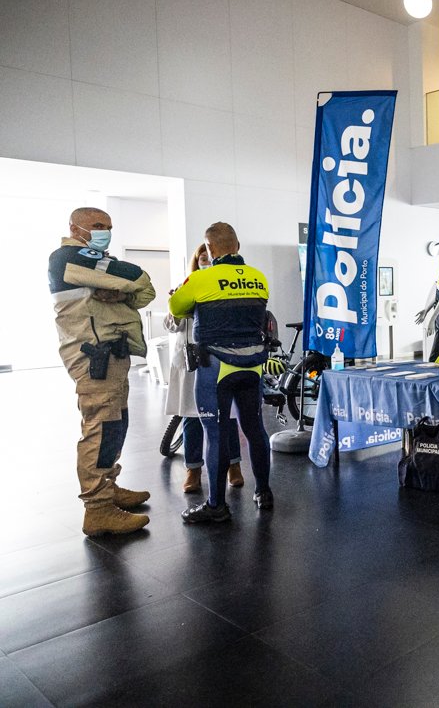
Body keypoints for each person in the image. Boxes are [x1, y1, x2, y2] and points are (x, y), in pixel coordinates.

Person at [48, 207, 156, 536]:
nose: (104, 232)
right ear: (74, 228)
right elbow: (139, 277)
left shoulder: (94, 262)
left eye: (108, 226)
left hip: (112, 355)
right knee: (100, 427)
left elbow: (146, 293)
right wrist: (127, 290)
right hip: (94, 357)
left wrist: (119, 293)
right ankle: (98, 508)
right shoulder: (68, 257)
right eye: (97, 226)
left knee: (115, 424)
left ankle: (108, 487)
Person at [169, 222, 273, 524]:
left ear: (210, 249)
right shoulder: (259, 277)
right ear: (237, 246)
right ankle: (264, 492)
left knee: (215, 434)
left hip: (215, 367)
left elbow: (176, 308)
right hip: (253, 366)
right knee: (255, 429)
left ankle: (216, 506)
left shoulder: (200, 279)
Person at [163, 243, 244, 493]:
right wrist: (179, 306)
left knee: (228, 415)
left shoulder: (227, 286)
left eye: (210, 258)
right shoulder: (186, 285)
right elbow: (171, 326)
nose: (206, 262)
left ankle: (234, 466)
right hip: (190, 359)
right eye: (202, 259)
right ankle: (193, 469)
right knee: (191, 416)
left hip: (221, 357)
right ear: (196, 262)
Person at [415, 235, 439, 361]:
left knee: (435, 359)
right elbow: (438, 293)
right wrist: (426, 310)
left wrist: (431, 319)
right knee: (438, 358)